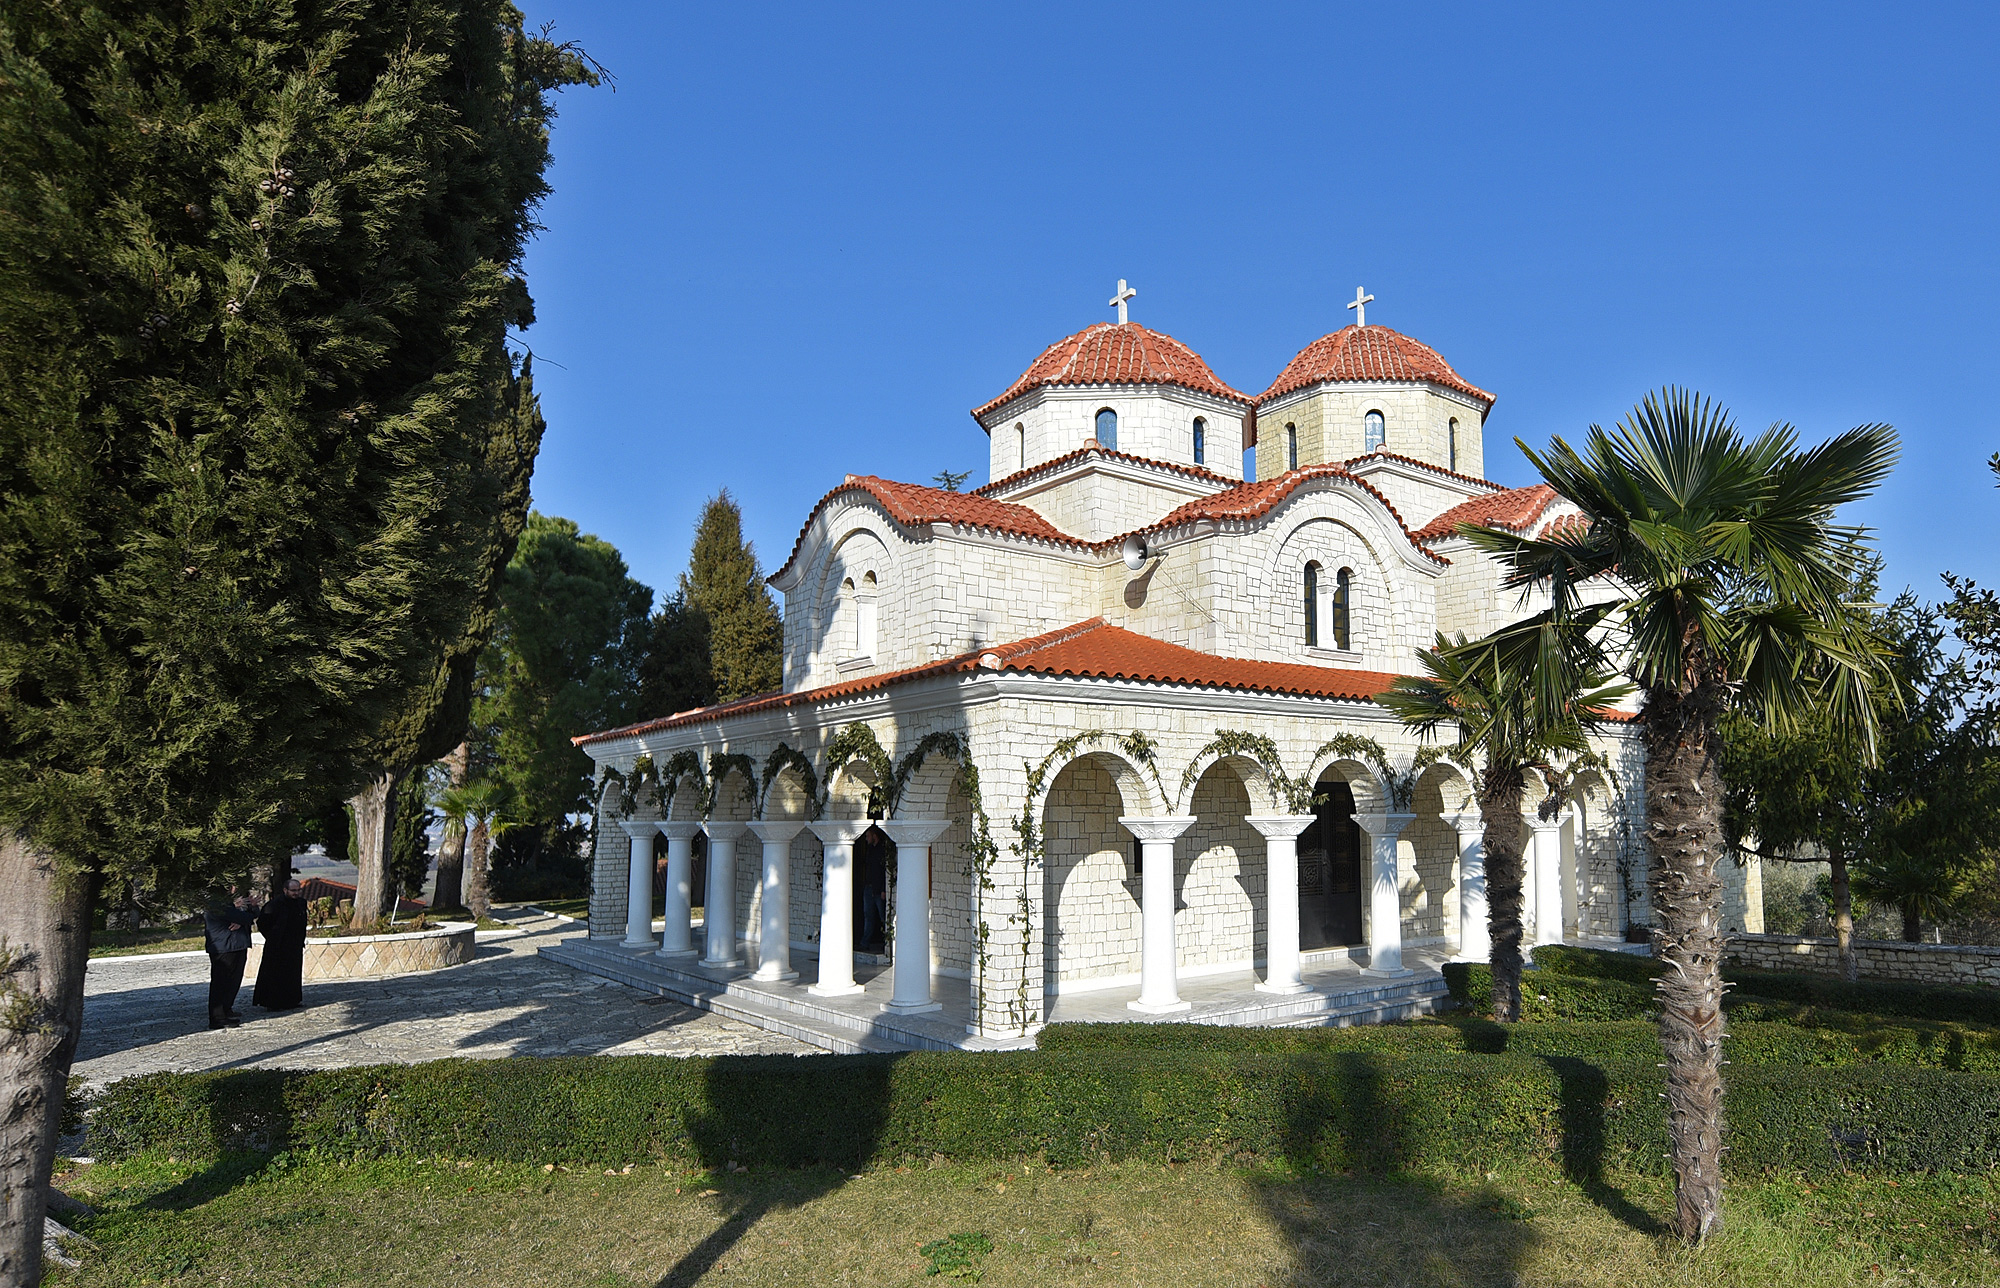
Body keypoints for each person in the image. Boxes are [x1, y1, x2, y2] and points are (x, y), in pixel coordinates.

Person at [252, 878, 309, 1010]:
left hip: (294, 945)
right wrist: (272, 937)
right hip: (277, 946)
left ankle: (292, 1000)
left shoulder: (301, 903)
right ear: (285, 890)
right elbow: (262, 923)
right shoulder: (274, 904)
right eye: (293, 890)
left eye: (298, 890)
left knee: (293, 974)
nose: (296, 893)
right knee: (275, 975)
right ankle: (273, 1003)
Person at [203, 891, 257, 1029]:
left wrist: (245, 916)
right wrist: (243, 919)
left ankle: (226, 1009)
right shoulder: (217, 904)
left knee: (233, 980)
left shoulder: (230, 905)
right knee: (221, 982)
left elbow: (245, 917)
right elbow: (242, 917)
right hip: (224, 947)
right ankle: (217, 1018)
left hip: (236, 945)